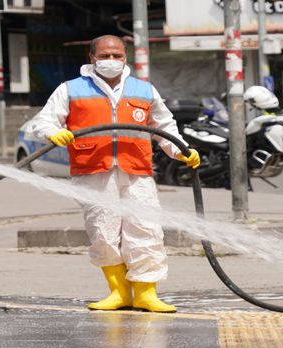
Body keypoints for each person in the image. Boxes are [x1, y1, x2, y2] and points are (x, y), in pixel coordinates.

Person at [29, 35, 200, 313]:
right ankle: (118, 292)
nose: (112, 61)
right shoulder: (70, 89)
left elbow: (164, 125)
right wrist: (54, 132)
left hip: (136, 168)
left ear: (125, 57)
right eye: (105, 55)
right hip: (92, 169)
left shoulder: (144, 90)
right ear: (92, 58)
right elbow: (43, 122)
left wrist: (181, 150)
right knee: (103, 231)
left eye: (117, 55)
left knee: (146, 228)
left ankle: (146, 293)